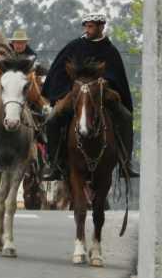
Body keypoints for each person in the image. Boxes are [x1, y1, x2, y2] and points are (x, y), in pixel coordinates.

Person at [41, 13, 139, 180]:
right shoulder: (74, 47)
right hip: (75, 94)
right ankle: (54, 164)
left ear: (101, 27)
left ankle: (125, 163)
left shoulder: (110, 50)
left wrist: (106, 82)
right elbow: (58, 71)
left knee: (126, 117)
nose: (87, 29)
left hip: (102, 94)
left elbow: (117, 76)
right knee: (52, 119)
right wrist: (64, 91)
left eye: (91, 26)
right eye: (86, 26)